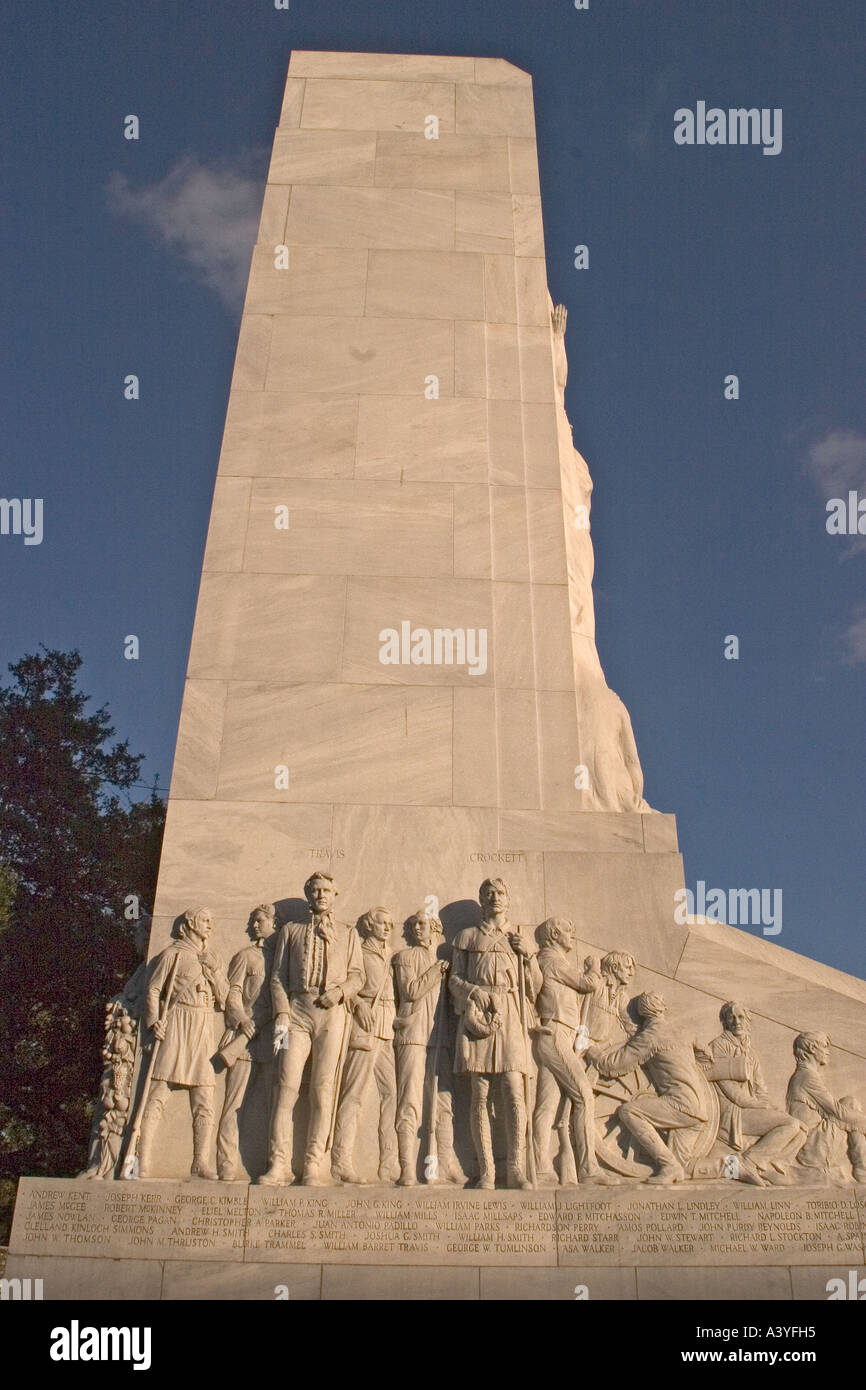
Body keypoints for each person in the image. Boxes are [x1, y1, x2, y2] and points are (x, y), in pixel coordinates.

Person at [258, 873, 363, 1187]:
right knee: (286, 1086)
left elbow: (358, 976)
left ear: (335, 893)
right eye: (315, 890)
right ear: (308, 894)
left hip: (332, 1012)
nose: (320, 894)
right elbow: (276, 977)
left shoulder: (348, 933)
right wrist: (281, 1012)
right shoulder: (292, 931)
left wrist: (341, 991)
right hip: (297, 1011)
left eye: (326, 890)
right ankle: (278, 1163)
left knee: (322, 1089)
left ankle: (313, 1164)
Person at [449, 878, 541, 1189]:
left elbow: (535, 988)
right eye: (488, 893)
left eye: (500, 892)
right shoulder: (467, 936)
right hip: (478, 1015)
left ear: (508, 899)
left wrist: (528, 956)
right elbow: (454, 981)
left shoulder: (518, 939)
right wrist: (475, 992)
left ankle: (515, 1168)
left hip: (511, 1012)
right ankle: (487, 1170)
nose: (494, 898)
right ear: (481, 900)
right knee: (480, 1093)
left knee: (514, 1089)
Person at [137, 907, 229, 1181]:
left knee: (204, 1100)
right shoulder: (172, 954)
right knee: (156, 1097)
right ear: (189, 924)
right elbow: (152, 990)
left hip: (202, 1027)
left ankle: (200, 1162)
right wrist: (154, 1024)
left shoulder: (211, 959)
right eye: (205, 920)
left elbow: (223, 999)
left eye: (212, 921)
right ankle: (141, 1161)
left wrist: (214, 971)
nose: (210, 926)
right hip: (177, 1023)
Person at [586, 992, 708, 1185]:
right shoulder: (685, 1031)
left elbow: (613, 1065)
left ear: (641, 1013)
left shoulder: (650, 1037)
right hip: (701, 1109)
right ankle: (739, 1167)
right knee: (685, 1167)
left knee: (629, 1111)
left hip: (679, 1105)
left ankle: (668, 1165)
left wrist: (591, 1050)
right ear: (663, 1008)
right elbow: (706, 1057)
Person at [532, 918, 617, 1186]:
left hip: (559, 1036)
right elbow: (586, 983)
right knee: (584, 1096)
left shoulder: (551, 960)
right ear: (554, 934)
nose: (573, 935)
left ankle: (541, 1167)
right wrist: (594, 968)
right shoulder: (551, 959)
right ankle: (588, 1168)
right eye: (568, 931)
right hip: (556, 1035)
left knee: (546, 1106)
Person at [698, 1001, 805, 1187]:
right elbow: (733, 1093)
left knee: (802, 1130)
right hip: (732, 1113)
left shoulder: (750, 1053)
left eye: (741, 1017)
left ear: (748, 1021)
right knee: (790, 1124)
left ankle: (774, 1167)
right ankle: (748, 1162)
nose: (736, 1021)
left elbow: (760, 1088)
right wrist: (762, 1106)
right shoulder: (718, 1046)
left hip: (750, 1109)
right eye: (731, 1017)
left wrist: (768, 1106)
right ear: (724, 1021)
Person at [392, 911, 463, 1186]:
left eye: (423, 924)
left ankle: (445, 1161)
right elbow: (410, 990)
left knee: (444, 1102)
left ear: (435, 929)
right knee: (409, 1100)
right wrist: (436, 972)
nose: (418, 928)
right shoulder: (406, 958)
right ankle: (406, 1167)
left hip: (439, 1038)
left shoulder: (444, 962)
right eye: (413, 925)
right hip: (412, 1035)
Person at [332, 908, 398, 1184]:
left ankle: (389, 1162)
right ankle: (340, 1160)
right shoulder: (358, 949)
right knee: (353, 1094)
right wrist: (357, 1004)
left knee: (391, 1093)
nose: (387, 927)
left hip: (387, 1028)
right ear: (369, 925)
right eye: (382, 923)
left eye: (390, 924)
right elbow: (343, 983)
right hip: (364, 1026)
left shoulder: (389, 954)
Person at [216, 904, 278, 1182]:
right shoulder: (245, 956)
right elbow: (233, 992)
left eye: (261, 920)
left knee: (273, 1107)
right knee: (233, 1105)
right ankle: (226, 1165)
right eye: (253, 921)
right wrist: (242, 1020)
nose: (255, 925)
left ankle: (271, 1165)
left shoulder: (282, 958)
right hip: (245, 1040)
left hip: (272, 1041)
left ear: (274, 924)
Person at [786, 1032, 866, 1183]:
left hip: (815, 1142)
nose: (828, 1051)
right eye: (824, 1046)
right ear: (812, 1048)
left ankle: (863, 1168)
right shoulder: (807, 1077)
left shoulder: (806, 1074)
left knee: (850, 1105)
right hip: (814, 1147)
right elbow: (838, 1112)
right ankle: (863, 1169)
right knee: (850, 1106)